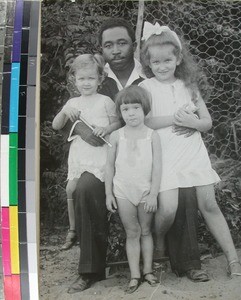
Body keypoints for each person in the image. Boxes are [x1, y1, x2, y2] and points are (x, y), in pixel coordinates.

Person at [64, 18, 204, 293]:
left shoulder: (152, 73)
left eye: (122, 43)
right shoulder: (95, 77)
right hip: (108, 159)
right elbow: (75, 110)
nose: (115, 50)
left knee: (182, 185)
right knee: (85, 187)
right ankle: (90, 269)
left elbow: (176, 107)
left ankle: (187, 261)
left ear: (134, 45)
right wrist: (79, 128)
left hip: (152, 153)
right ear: (101, 50)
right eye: (108, 45)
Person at [139, 21, 241, 278]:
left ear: (178, 59)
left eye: (167, 60)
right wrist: (176, 119)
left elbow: (207, 123)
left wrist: (193, 123)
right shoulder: (146, 88)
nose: (161, 67)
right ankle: (160, 238)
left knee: (208, 203)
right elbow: (146, 121)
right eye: (156, 62)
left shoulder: (189, 86)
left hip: (192, 151)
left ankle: (233, 261)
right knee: (168, 209)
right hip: (164, 154)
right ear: (148, 64)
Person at [52, 54, 120, 251]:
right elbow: (57, 126)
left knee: (90, 190)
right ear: (75, 81)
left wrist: (106, 129)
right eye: (81, 79)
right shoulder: (72, 103)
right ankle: (72, 230)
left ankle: (94, 233)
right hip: (80, 155)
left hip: (99, 154)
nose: (86, 83)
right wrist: (65, 112)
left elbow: (117, 122)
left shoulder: (105, 100)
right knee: (70, 189)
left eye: (91, 78)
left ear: (100, 80)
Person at [105, 86, 162, 293]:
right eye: (126, 109)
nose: (131, 113)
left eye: (135, 108)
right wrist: (109, 193)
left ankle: (147, 271)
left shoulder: (152, 135)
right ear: (120, 112)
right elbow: (109, 166)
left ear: (144, 109)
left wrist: (154, 193)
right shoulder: (116, 136)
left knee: (146, 231)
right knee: (132, 232)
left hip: (146, 191)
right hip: (123, 192)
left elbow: (157, 167)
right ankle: (134, 275)